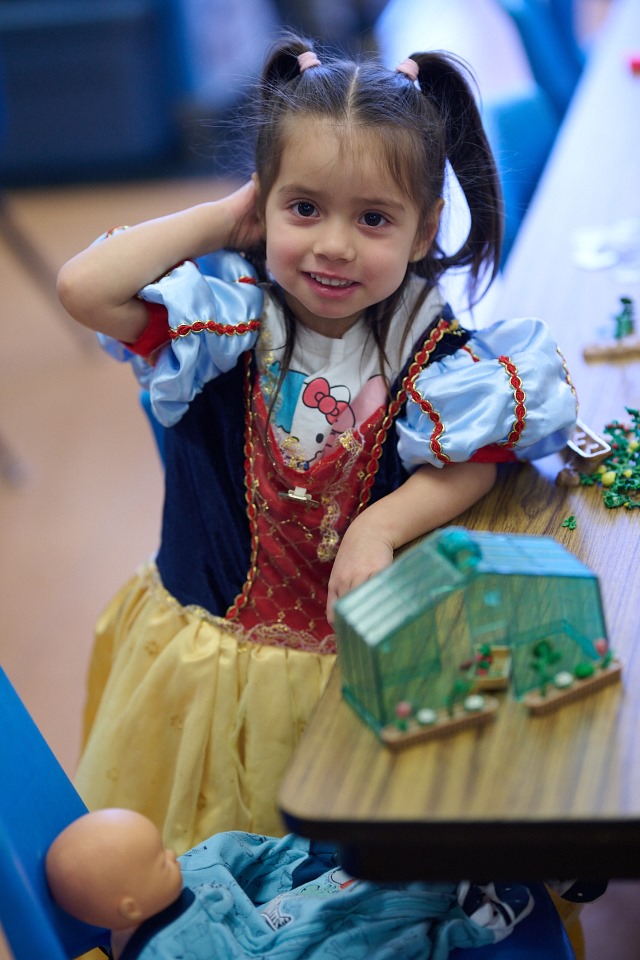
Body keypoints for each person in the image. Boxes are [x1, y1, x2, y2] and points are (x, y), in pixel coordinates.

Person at [58, 34, 578, 853]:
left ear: (423, 230)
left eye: (373, 218)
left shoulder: (435, 348)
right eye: (305, 209)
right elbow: (84, 288)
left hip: (360, 678)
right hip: (203, 681)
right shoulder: (223, 320)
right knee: (190, 875)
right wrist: (229, 217)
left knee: (338, 887)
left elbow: (474, 457)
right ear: (264, 203)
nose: (334, 245)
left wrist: (381, 525)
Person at [45, 808, 535, 960]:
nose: (172, 854)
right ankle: (464, 916)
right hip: (282, 947)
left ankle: (440, 853)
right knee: (366, 931)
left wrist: (298, 861)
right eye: (157, 860)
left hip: (277, 906)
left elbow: (224, 856)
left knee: (344, 874)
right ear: (130, 908)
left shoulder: (169, 887)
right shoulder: (166, 951)